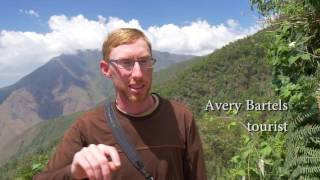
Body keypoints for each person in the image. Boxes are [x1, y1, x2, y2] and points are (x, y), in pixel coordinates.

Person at [34, 28, 207, 180]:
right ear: (106, 69)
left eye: (144, 61)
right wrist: (73, 172)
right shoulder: (87, 127)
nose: (138, 73)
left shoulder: (181, 117)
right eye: (126, 63)